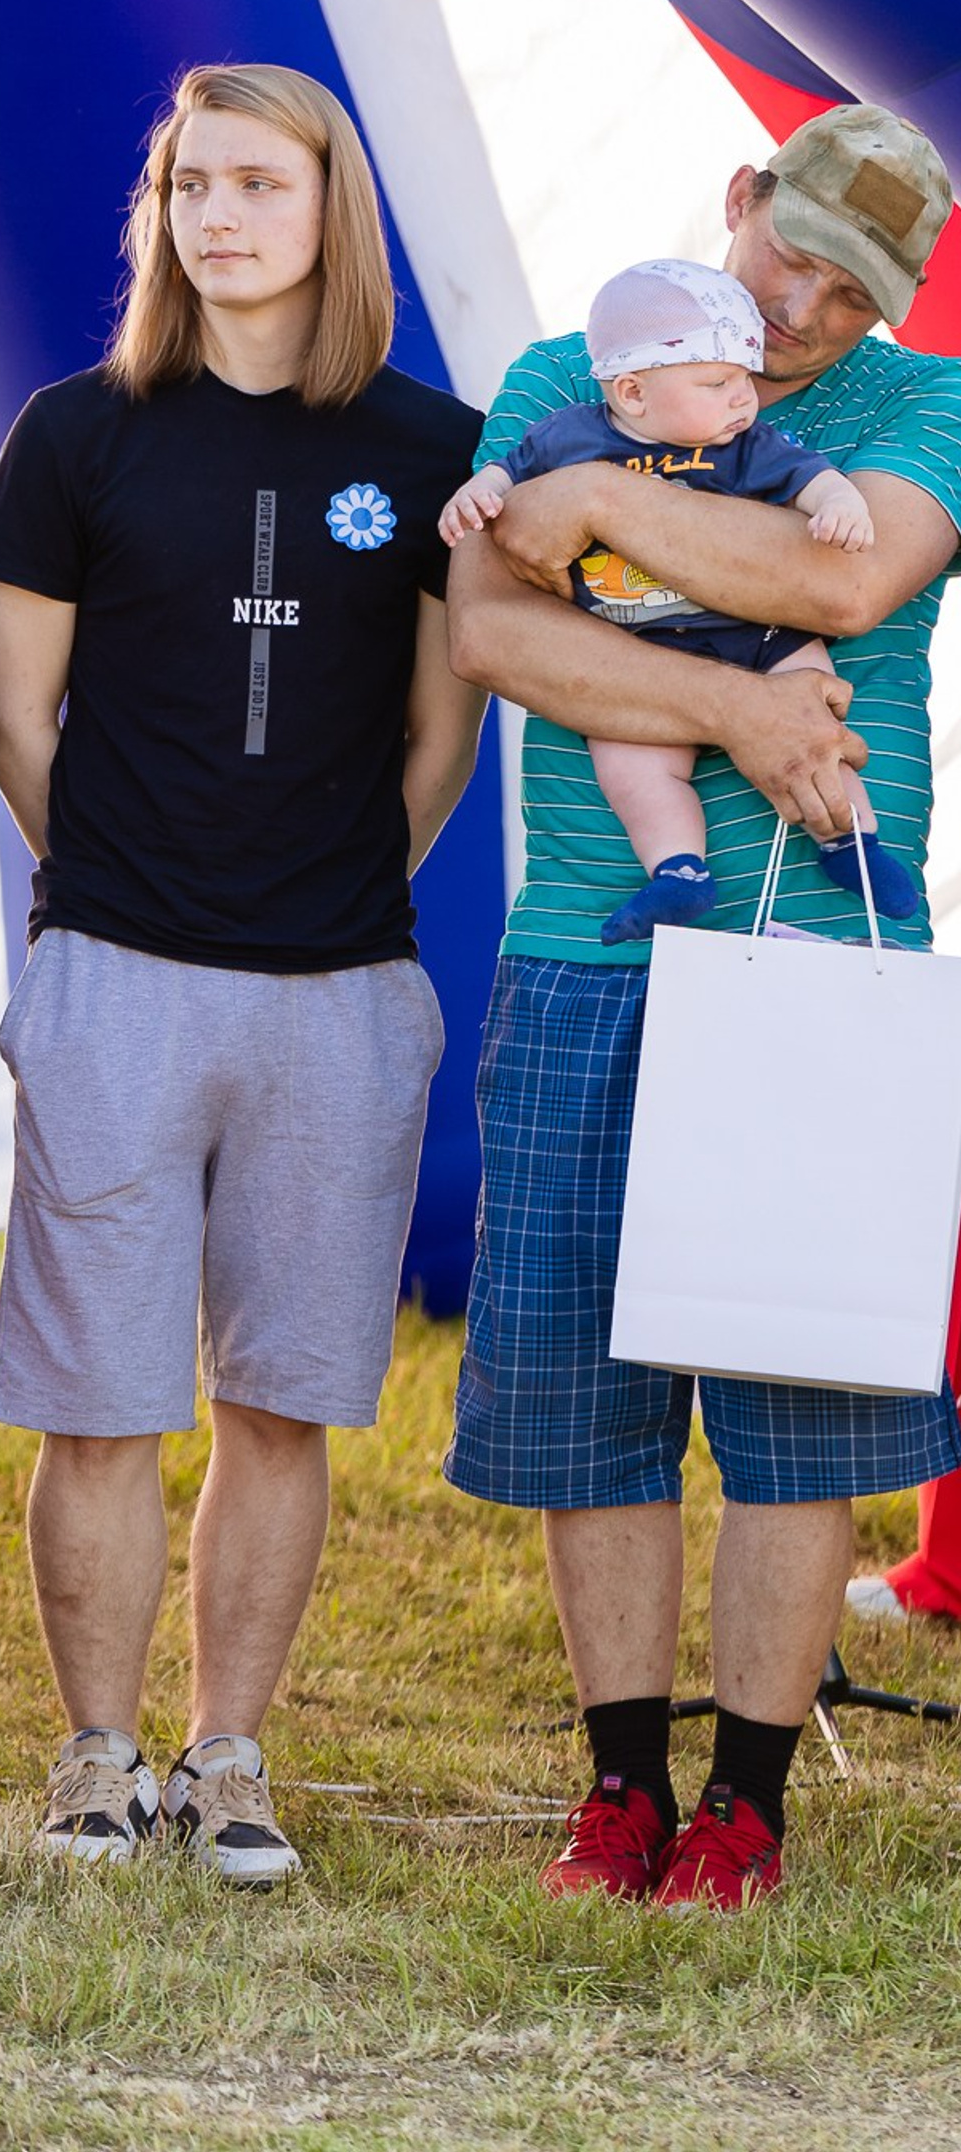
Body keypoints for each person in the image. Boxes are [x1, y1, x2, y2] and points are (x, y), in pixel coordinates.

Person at [443, 103, 961, 1909]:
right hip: (590, 944)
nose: (810, 303)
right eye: (793, 251)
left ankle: (745, 1799)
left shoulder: (923, 405)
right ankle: (618, 1784)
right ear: (741, 201)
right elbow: (489, 634)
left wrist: (589, 506)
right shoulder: (556, 363)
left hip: (819, 956)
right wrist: (740, 706)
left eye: (855, 285)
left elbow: (851, 574)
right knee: (593, 1402)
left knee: (797, 1395)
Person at [0, 61, 487, 1886]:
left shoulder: (434, 449)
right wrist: (129, 886)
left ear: (327, 207)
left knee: (281, 1397)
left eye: (258, 185)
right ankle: (98, 1760)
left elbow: (443, 742)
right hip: (118, 970)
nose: (220, 217)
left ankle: (229, 1757)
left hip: (341, 989)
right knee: (100, 1394)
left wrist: (316, 894)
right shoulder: (79, 432)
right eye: (192, 185)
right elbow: (14, 717)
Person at [441, 259, 914, 941]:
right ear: (632, 393)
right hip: (634, 644)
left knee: (813, 710)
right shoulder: (570, 436)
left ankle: (853, 842)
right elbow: (505, 476)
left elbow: (810, 479)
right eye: (718, 383)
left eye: (745, 380)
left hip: (756, 633)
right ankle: (678, 871)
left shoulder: (745, 447)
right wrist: (477, 494)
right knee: (633, 768)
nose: (743, 399)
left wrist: (840, 504)